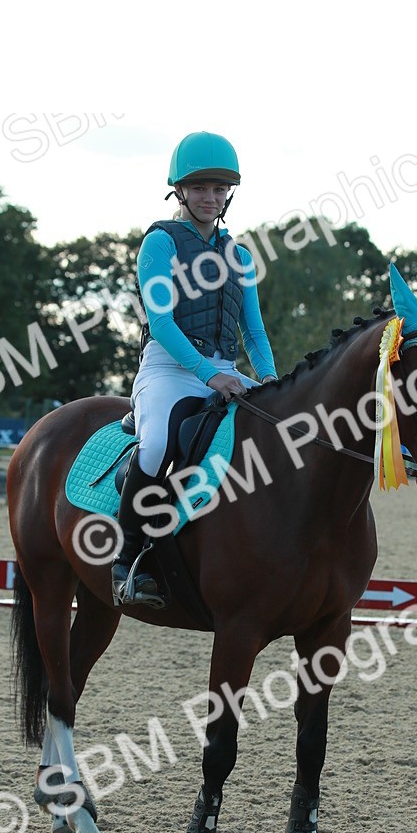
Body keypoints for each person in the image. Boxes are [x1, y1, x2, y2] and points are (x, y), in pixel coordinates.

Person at [112, 131, 278, 606]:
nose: (210, 198)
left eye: (219, 189)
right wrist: (209, 374)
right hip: (167, 369)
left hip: (225, 367)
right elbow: (160, 323)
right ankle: (125, 559)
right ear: (180, 190)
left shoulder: (240, 255)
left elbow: (255, 332)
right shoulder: (159, 244)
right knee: (159, 443)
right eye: (200, 188)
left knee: (282, 428)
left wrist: (269, 380)